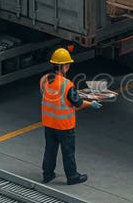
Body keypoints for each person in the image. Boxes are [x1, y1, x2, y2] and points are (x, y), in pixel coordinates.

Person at [41, 47, 101, 185]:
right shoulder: (67, 85)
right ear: (65, 66)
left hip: (49, 124)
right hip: (64, 126)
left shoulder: (45, 80)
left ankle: (48, 174)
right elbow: (78, 103)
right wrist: (91, 104)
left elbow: (52, 96)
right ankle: (72, 176)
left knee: (50, 149)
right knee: (68, 152)